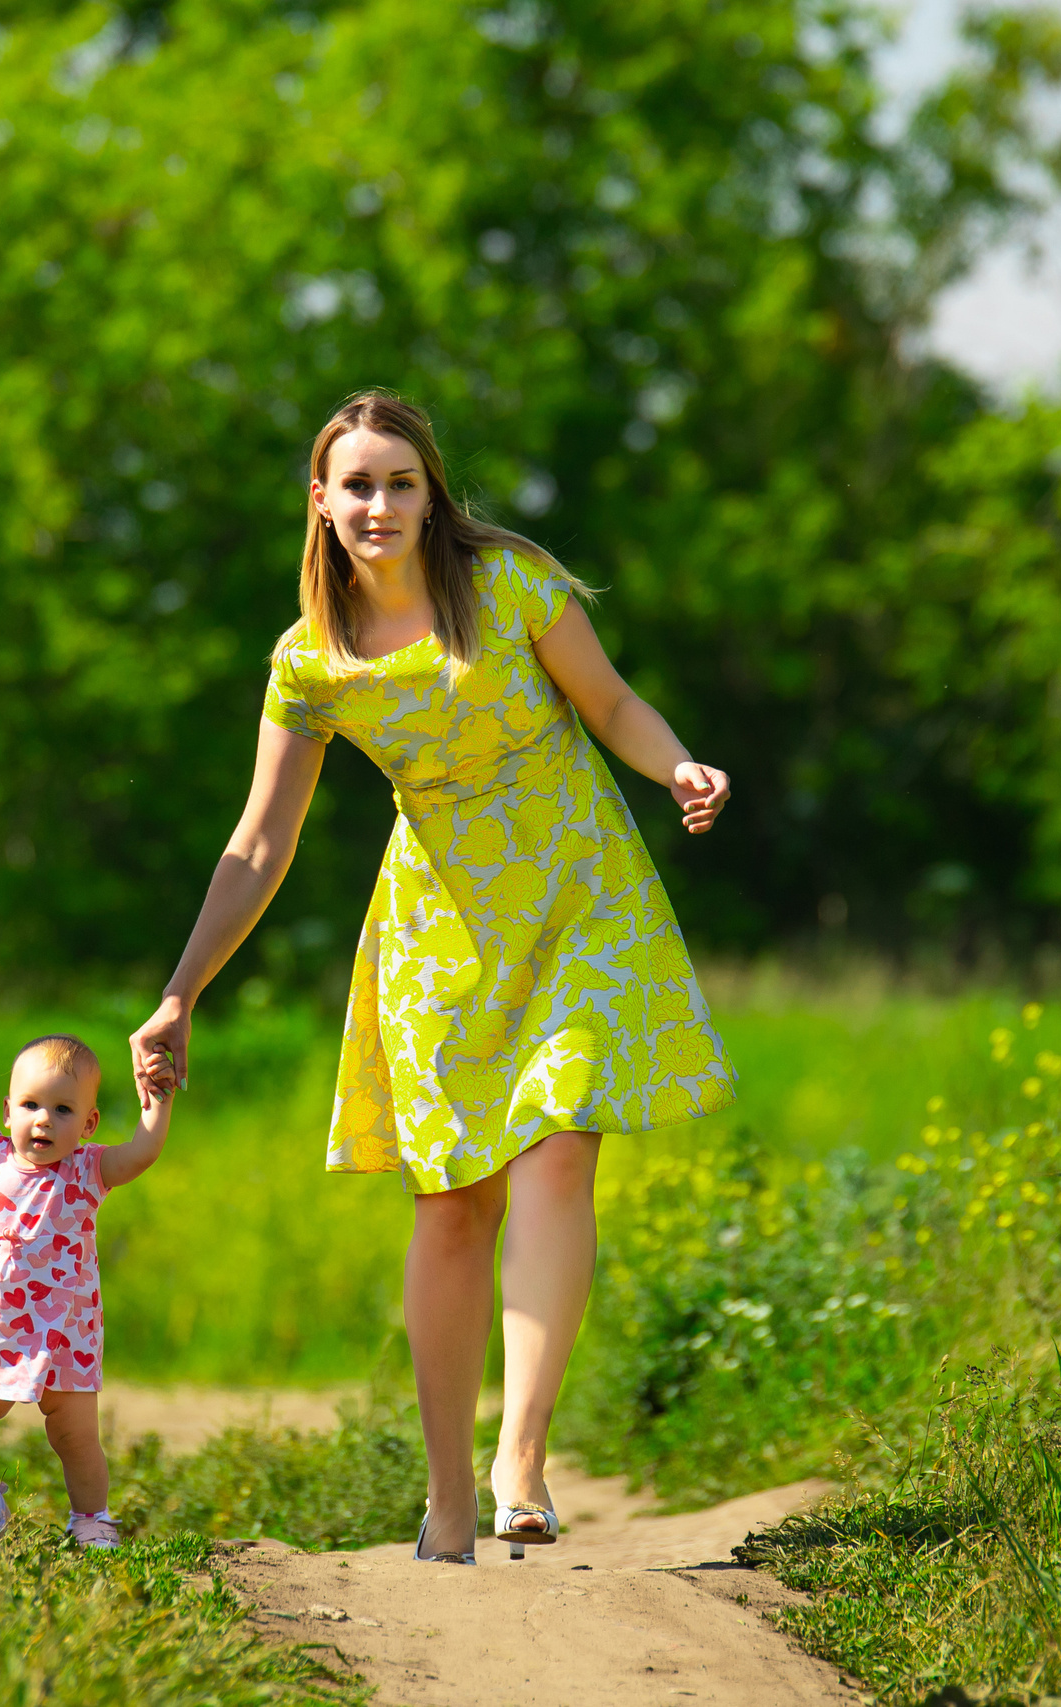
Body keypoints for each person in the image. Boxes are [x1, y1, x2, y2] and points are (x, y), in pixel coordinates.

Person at [129, 391, 734, 1565]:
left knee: (562, 1142)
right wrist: (180, 988)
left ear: (430, 493)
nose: (379, 505)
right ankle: (447, 1490)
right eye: (356, 484)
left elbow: (607, 702)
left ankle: (521, 1456)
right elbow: (259, 843)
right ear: (321, 501)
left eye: (401, 483)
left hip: (578, 895)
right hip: (438, 932)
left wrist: (676, 767)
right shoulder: (310, 663)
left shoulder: (504, 586)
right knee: (453, 1205)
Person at [0, 1034, 172, 1548]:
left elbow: (141, 1153)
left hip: (64, 1337)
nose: (44, 1120)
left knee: (75, 1438)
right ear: (8, 1110)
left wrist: (158, 1103)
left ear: (89, 1124)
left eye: (62, 1109)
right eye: (31, 1105)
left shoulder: (86, 1170)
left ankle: (91, 1520)